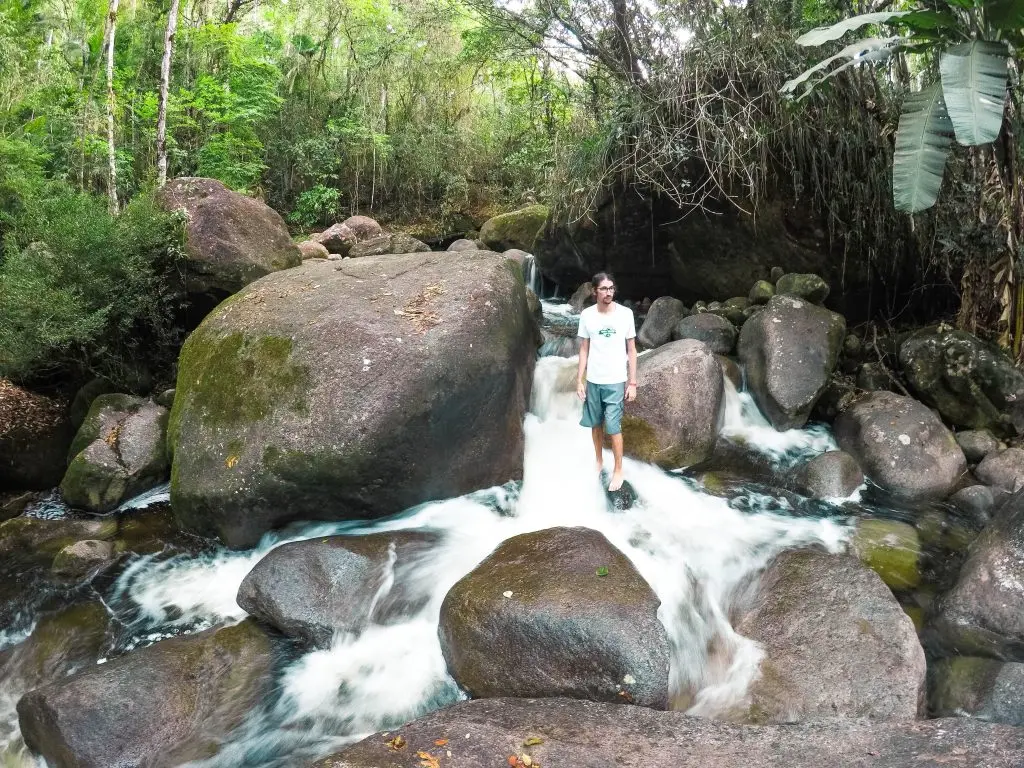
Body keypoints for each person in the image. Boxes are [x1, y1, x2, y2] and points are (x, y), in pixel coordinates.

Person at [575, 272, 637, 491]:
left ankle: (618, 469)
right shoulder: (587, 315)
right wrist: (579, 380)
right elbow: (584, 349)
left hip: (615, 380)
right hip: (593, 380)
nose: (609, 292)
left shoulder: (626, 314)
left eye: (611, 288)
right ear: (594, 291)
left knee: (613, 426)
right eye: (604, 289)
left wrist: (632, 383)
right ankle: (599, 460)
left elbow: (631, 350)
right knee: (595, 424)